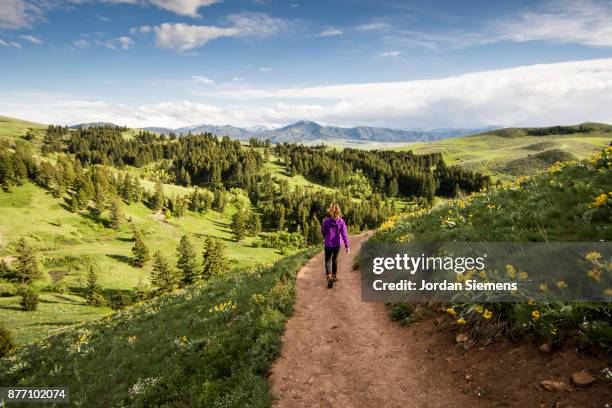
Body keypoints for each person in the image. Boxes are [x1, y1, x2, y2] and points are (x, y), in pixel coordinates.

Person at [320, 202, 350, 288]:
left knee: (328, 260)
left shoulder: (326, 221)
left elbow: (323, 232)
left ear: (330, 210)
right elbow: (344, 234)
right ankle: (334, 276)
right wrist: (347, 246)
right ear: (339, 211)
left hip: (328, 244)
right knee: (334, 260)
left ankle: (329, 276)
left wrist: (322, 228)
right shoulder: (341, 222)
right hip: (337, 244)